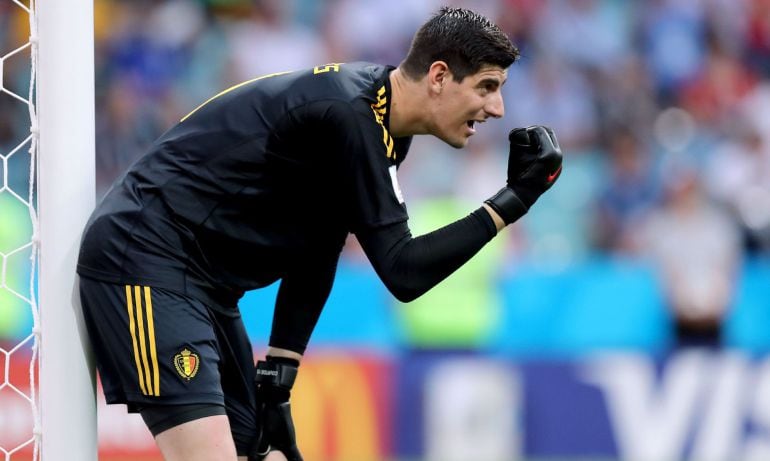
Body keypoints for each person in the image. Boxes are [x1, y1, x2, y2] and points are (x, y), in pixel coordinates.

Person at [77, 6, 562, 461]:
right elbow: (404, 271)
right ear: (439, 76)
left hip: (203, 285)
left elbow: (320, 244)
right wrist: (512, 200)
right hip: (144, 257)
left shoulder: (383, 124)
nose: (496, 108)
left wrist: (279, 376)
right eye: (486, 86)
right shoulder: (351, 117)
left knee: (256, 452)